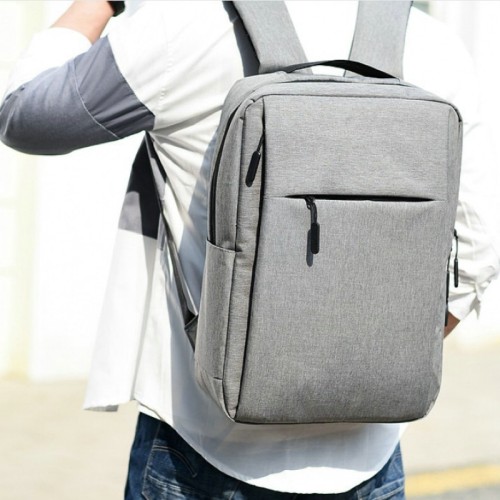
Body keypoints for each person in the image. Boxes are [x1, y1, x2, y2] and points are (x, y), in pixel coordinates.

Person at [1, 1, 499, 498]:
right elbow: (478, 248)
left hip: (202, 449)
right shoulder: (432, 42)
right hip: (370, 459)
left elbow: (25, 112)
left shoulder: (181, 26)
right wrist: (365, 361)